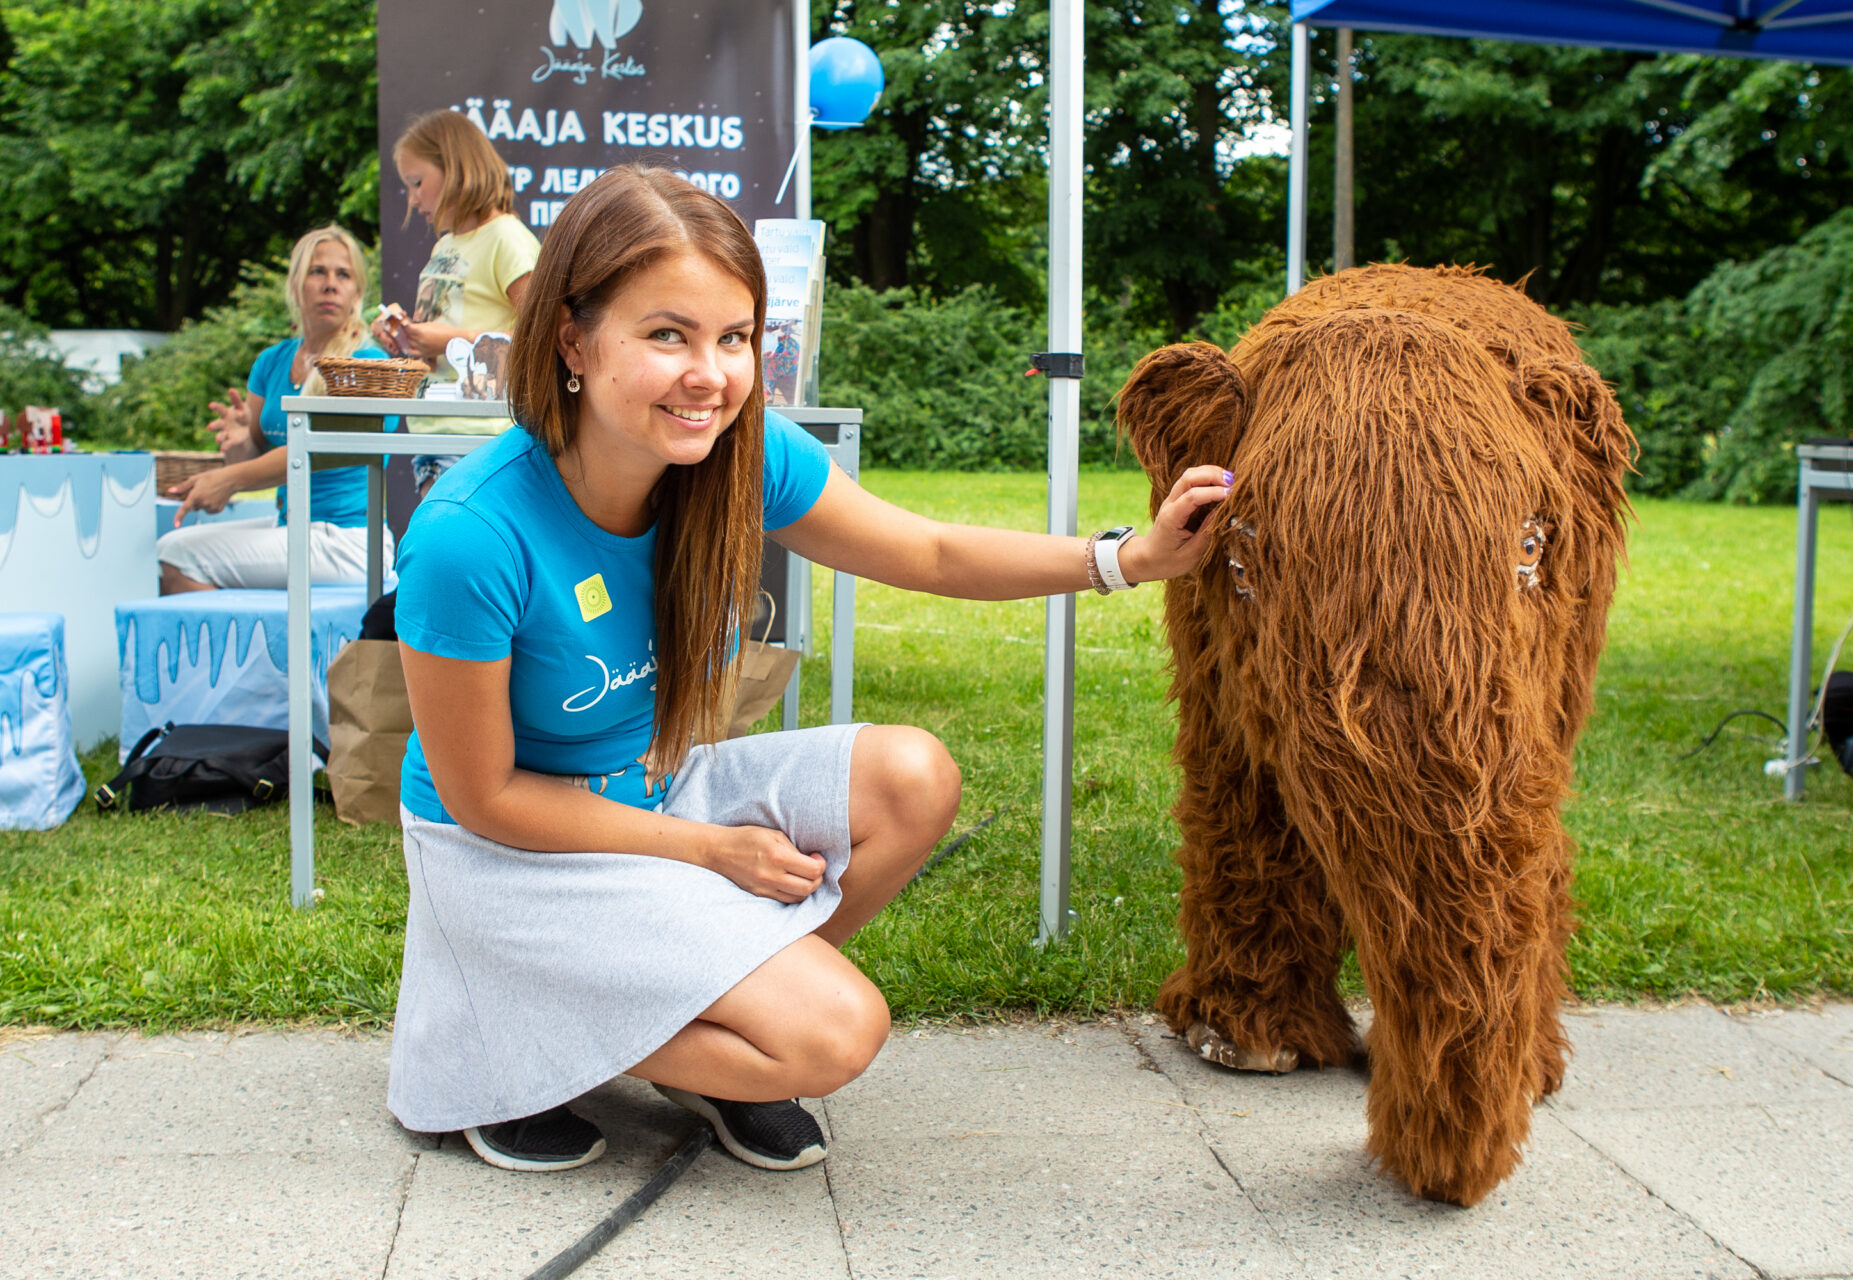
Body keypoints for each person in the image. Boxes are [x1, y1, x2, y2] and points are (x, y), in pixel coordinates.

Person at [388, 166, 1232, 1175]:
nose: (711, 374)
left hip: (657, 785)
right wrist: (706, 851)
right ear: (572, 340)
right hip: (509, 853)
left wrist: (1127, 557)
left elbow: (926, 552)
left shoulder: (737, 451)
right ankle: (506, 1025)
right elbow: (484, 797)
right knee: (833, 1035)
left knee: (913, 775)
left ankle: (706, 1049)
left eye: (734, 337)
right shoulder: (469, 532)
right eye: (668, 334)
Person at [159, 225, 394, 593]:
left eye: (343, 275)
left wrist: (229, 480)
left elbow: (312, 451)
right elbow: (249, 455)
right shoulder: (272, 361)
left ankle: (243, 652)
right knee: (169, 548)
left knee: (178, 554)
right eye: (318, 271)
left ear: (357, 292)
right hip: (292, 527)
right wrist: (238, 445)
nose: (330, 284)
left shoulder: (368, 364)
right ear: (296, 285)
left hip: (347, 541)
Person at [373, 109, 540, 494]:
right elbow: (433, 350)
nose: (413, 200)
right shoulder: (444, 245)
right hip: (433, 426)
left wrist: (448, 340)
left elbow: (543, 335)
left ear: (457, 168)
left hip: (482, 434)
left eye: (417, 183)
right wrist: (406, 337)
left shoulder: (507, 238)